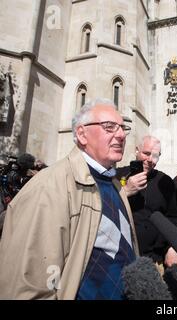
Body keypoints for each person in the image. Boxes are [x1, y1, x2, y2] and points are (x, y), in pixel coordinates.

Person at [0, 99, 139, 299]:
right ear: (82, 134)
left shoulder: (114, 183)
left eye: (123, 128)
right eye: (109, 127)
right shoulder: (48, 186)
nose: (120, 135)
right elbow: (27, 285)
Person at [117, 135, 177, 270]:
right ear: (137, 150)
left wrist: (171, 247)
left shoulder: (165, 181)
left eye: (155, 156)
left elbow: (173, 219)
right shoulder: (117, 176)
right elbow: (104, 207)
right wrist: (126, 190)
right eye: (146, 153)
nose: (150, 160)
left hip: (154, 260)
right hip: (121, 258)